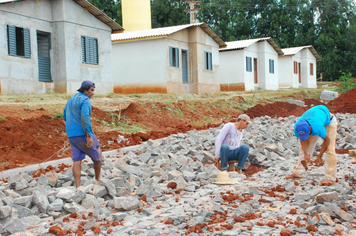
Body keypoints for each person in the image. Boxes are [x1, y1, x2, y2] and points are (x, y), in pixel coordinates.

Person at [285, 105, 338, 186]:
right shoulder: (298, 126)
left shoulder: (316, 127)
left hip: (329, 121)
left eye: (307, 133)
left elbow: (327, 140)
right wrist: (306, 154)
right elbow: (303, 140)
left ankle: (330, 179)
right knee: (304, 148)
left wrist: (319, 156)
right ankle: (298, 173)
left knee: (329, 150)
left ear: (309, 128)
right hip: (316, 117)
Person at [63, 81, 102, 188]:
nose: (93, 93)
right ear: (85, 90)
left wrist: (72, 128)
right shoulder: (85, 100)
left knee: (77, 160)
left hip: (71, 135)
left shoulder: (71, 99)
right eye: (91, 90)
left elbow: (64, 116)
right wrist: (88, 136)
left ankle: (78, 187)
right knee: (98, 156)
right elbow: (85, 118)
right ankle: (98, 181)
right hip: (82, 134)